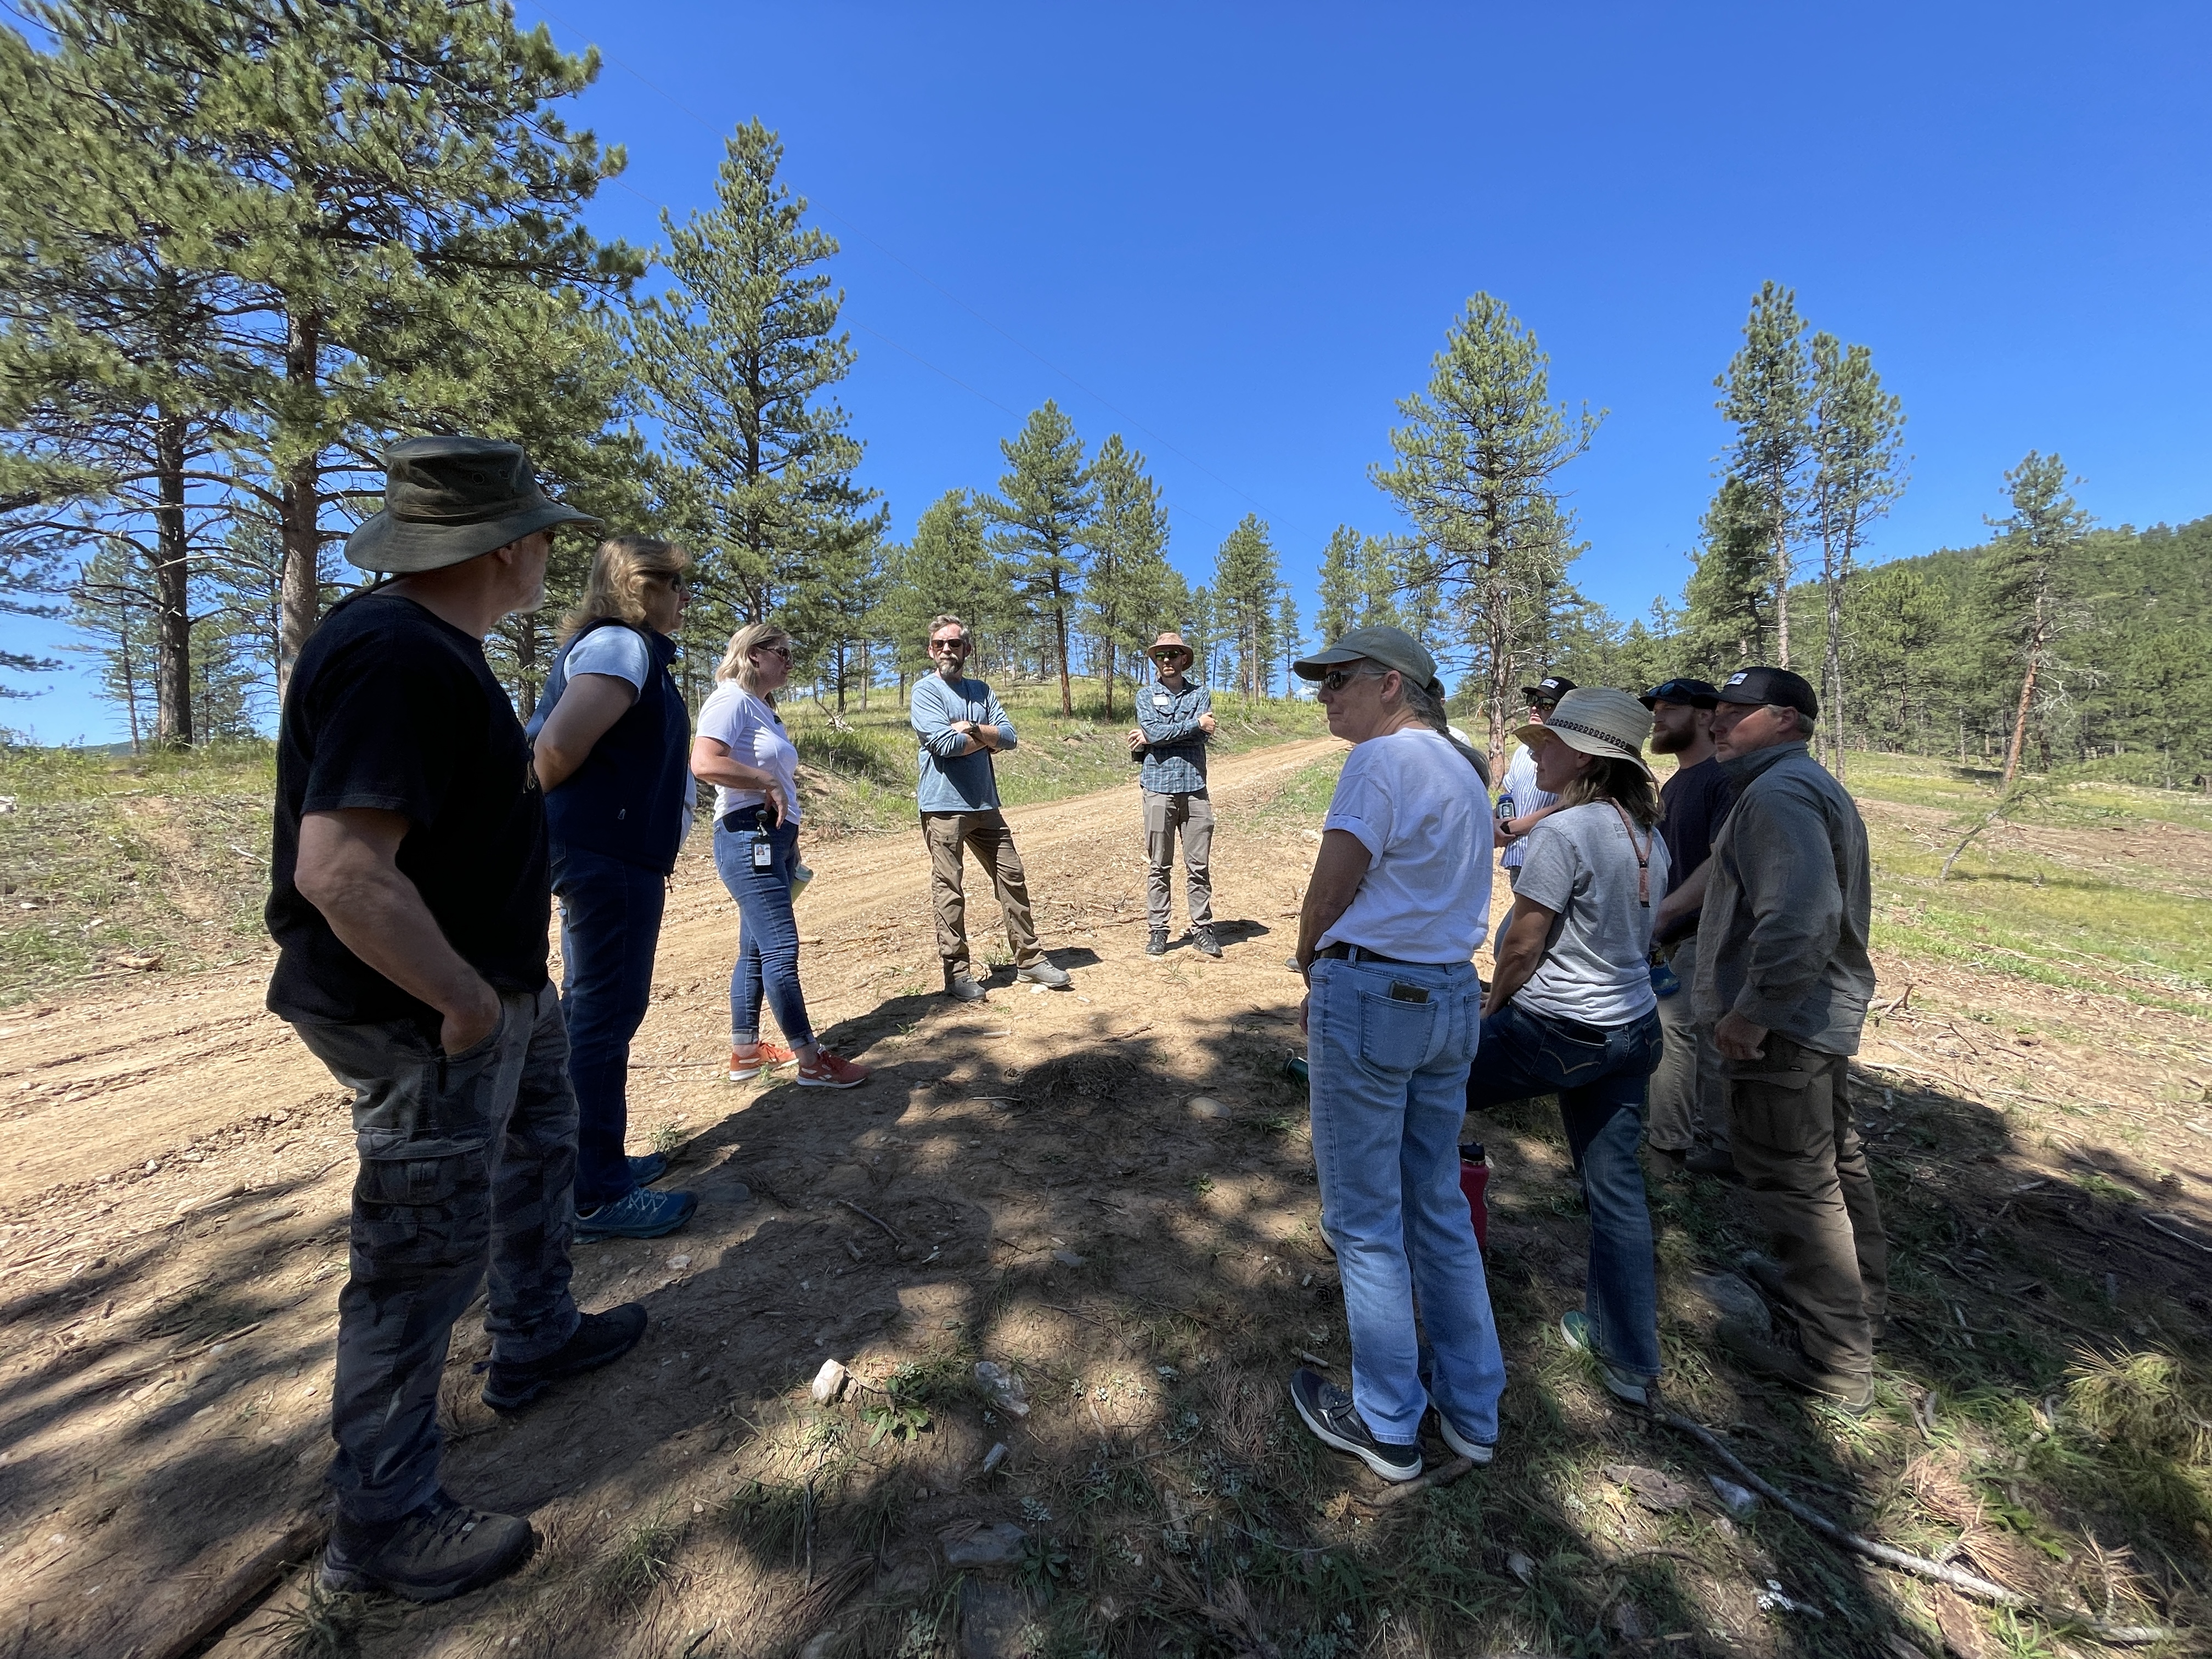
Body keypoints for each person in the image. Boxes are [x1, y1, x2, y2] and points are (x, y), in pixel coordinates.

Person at [267, 436, 646, 1602]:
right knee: (417, 1256)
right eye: (543, 534)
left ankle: (534, 1336)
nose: (549, 552)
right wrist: (467, 1002)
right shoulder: (392, 655)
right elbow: (340, 871)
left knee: (537, 1160)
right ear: (511, 547)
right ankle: (381, 1523)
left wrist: (502, 993)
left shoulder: (436, 647)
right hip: (426, 1014)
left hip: (494, 992)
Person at [1285, 626, 1503, 1484]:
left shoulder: (1379, 762)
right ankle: (1473, 1409)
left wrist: (1313, 964)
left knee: (1363, 1220)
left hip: (1377, 997)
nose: (1324, 692)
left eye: (1339, 678)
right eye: (1322, 679)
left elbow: (1332, 887)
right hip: (1453, 993)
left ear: (1391, 685)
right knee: (1437, 1202)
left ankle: (1387, 1424)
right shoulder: (1462, 766)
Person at [1466, 688, 1672, 1411]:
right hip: (1634, 1031)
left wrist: (1492, 1011)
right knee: (1617, 1193)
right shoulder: (1647, 834)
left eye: (1546, 743)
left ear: (1583, 756)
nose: (1534, 751)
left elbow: (1524, 941)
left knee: (1424, 1095)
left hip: (1558, 1029)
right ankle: (1627, 1357)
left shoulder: (1565, 833)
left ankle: (1404, 1258)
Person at [1695, 665, 1886, 1413]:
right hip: (1815, 1017)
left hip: (1787, 1025)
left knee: (1794, 1181)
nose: (1717, 721)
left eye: (1736, 710)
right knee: (1836, 1162)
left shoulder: (1777, 795)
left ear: (1787, 720)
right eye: (1716, 709)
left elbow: (1802, 915)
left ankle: (1836, 1361)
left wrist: (1753, 1012)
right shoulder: (1796, 787)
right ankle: (1859, 1302)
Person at [527, 537, 700, 1240]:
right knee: (602, 1016)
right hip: (606, 856)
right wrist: (564, 829)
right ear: (642, 587)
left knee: (602, 1014)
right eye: (678, 586)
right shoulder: (622, 647)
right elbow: (555, 749)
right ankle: (593, 1191)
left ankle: (598, 1166)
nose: (686, 599)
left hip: (611, 853)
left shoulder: (630, 650)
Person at [691, 623, 871, 1088]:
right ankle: (811, 1060)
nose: (790, 662)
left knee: (755, 949)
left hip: (772, 838)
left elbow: (776, 778)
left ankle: (746, 1053)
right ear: (754, 654)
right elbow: (705, 763)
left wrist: (790, 835)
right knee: (780, 949)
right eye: (783, 653)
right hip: (747, 835)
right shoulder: (730, 700)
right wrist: (766, 783)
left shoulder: (761, 707)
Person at [910, 614, 1071, 1002]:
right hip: (942, 806)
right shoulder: (925, 692)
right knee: (949, 890)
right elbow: (943, 746)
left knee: (1012, 877)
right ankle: (958, 974)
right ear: (931, 650)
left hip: (985, 803)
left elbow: (1011, 737)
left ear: (968, 649)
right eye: (940, 644)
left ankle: (1030, 961)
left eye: (955, 644)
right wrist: (987, 738)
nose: (947, 650)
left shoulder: (982, 691)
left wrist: (970, 729)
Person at [1639, 678, 1736, 1178]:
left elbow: (1721, 864)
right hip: (1675, 931)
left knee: (1673, 1025)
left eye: (1670, 708)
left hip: (1710, 930)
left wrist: (1666, 911)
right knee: (1704, 1034)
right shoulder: (1677, 783)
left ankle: (1667, 1153)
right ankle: (1725, 1144)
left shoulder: (1722, 779)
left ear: (1704, 715)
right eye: (1655, 709)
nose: (1658, 717)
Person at [1127, 630, 1220, 958]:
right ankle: (1158, 930)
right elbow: (1156, 730)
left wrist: (1157, 737)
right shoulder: (1145, 695)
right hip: (1157, 788)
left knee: (1198, 865)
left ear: (1184, 659)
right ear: (1155, 660)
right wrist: (1193, 726)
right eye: (1161, 655)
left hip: (1195, 788)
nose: (1167, 660)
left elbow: (1167, 735)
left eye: (1173, 654)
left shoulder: (1200, 694)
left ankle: (1202, 928)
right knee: (1159, 864)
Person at [1493, 674, 1573, 888]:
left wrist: (1512, 829)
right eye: (1533, 701)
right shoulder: (1522, 751)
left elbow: (1568, 805)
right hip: (1518, 857)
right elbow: (1508, 796)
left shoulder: (1574, 755)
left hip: (1548, 859)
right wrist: (1494, 822)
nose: (1536, 708)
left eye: (1546, 703)